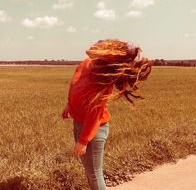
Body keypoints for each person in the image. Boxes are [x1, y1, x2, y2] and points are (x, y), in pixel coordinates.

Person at [61, 39, 152, 190]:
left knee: (95, 173)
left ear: (107, 52)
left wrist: (83, 141)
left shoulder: (101, 78)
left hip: (94, 130)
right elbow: (76, 87)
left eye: (100, 44)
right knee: (90, 172)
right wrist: (69, 105)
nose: (94, 44)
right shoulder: (86, 64)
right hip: (79, 123)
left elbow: (94, 114)